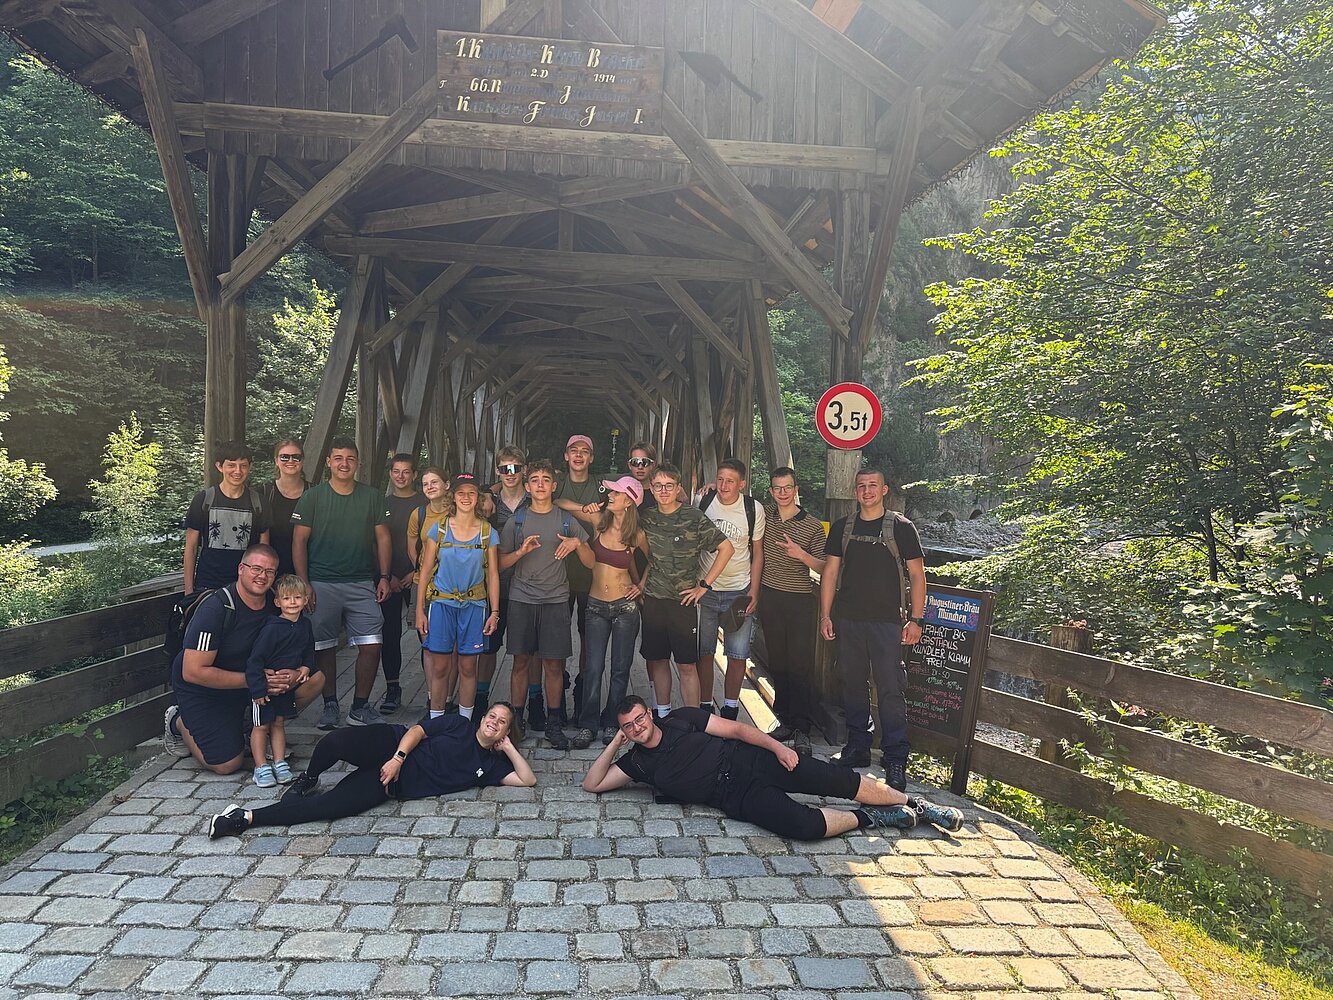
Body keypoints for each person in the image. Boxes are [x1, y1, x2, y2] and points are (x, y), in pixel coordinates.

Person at [581, 696, 963, 839]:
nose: (637, 728)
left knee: (835, 779)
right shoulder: (637, 763)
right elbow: (592, 784)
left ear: (649, 714)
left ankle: (918, 804)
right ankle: (875, 818)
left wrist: (778, 748)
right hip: (736, 796)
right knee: (802, 826)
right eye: (628, 726)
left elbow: (737, 730)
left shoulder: (682, 719)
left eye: (639, 719)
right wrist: (615, 744)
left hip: (750, 759)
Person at [206, 702, 536, 838]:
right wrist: (398, 758)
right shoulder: (458, 725)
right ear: (482, 718)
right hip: (391, 745)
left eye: (501, 722)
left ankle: (244, 817)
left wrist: (508, 748)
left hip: (391, 783)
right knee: (336, 742)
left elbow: (527, 779)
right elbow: (418, 730)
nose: (493, 722)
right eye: (491, 716)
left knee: (329, 808)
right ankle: (309, 777)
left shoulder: (489, 766)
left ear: (506, 731)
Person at [164, 543, 324, 774]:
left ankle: (255, 727)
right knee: (227, 764)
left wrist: (296, 671)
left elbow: (295, 644)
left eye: (269, 571)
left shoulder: (276, 604)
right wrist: (257, 681)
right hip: (206, 687)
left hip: (252, 681)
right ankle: (177, 721)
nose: (262, 576)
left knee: (315, 680)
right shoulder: (217, 608)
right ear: (241, 569)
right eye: (256, 569)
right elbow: (192, 671)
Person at [819, 469, 927, 789]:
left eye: (872, 486)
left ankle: (895, 757)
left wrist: (916, 619)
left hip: (888, 623)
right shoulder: (843, 527)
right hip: (848, 619)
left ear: (884, 490)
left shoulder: (902, 528)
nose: (867, 491)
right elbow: (830, 573)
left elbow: (917, 575)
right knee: (852, 684)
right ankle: (858, 746)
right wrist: (825, 615)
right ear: (856, 491)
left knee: (891, 688)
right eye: (861, 486)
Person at [291, 438, 392, 731]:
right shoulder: (312, 497)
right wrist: (304, 583)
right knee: (324, 646)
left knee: (372, 645)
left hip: (362, 581)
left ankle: (359, 707)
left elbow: (383, 538)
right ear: (329, 462)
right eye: (338, 458)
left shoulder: (372, 496)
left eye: (349, 458)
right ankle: (330, 705)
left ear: (357, 462)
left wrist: (384, 576)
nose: (344, 464)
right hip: (321, 582)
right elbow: (299, 541)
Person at [499, 459, 592, 749]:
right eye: (535, 480)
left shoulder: (566, 520)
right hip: (522, 598)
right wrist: (520, 552)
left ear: (554, 486)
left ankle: (553, 722)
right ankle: (516, 721)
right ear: (527, 487)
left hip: (555, 600)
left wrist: (578, 544)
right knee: (521, 662)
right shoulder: (516, 521)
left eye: (546, 479)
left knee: (554, 664)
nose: (540, 484)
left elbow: (591, 562)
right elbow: (499, 563)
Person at [638, 462, 734, 717]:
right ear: (651, 489)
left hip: (683, 601)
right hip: (654, 599)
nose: (663, 491)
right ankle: (663, 715)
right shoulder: (646, 517)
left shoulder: (693, 517)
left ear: (678, 487)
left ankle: (693, 722)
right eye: (658, 486)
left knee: (687, 665)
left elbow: (727, 549)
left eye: (669, 486)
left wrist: (704, 586)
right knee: (658, 660)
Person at [567, 475, 648, 747]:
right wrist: (585, 507)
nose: (609, 495)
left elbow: (654, 560)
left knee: (620, 669)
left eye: (615, 493)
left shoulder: (636, 534)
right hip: (595, 606)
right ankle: (588, 724)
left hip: (625, 607)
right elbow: (561, 503)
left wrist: (641, 586)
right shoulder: (599, 521)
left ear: (629, 501)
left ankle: (613, 722)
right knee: (593, 667)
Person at [415, 473, 501, 722]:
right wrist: (420, 610)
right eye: (461, 492)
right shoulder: (439, 529)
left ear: (478, 497)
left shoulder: (487, 532)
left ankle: (464, 723)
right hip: (442, 603)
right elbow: (425, 570)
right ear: (453, 496)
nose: (466, 497)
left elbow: (493, 574)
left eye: (471, 493)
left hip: (473, 605)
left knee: (468, 666)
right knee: (441, 666)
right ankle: (436, 721)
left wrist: (494, 612)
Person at [758, 467, 827, 756]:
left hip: (799, 600)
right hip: (770, 596)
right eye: (777, 488)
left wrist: (800, 554)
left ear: (796, 489)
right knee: (778, 662)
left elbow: (825, 567)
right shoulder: (765, 515)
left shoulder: (812, 526)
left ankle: (802, 727)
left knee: (799, 664)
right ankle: (784, 720)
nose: (783, 493)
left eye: (788, 487)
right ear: (771, 491)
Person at [696, 459, 765, 719]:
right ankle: (705, 705)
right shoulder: (702, 501)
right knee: (704, 652)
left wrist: (754, 591)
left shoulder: (753, 509)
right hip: (705, 590)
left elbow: (757, 553)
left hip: (739, 590)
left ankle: (730, 708)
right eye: (720, 479)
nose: (724, 486)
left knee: (737, 654)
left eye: (731, 481)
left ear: (742, 484)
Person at [244, 574, 315, 787]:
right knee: (260, 725)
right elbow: (255, 661)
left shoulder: (305, 625)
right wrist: (258, 690)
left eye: (297, 597)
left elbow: (309, 649)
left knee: (279, 723)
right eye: (286, 598)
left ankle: (279, 762)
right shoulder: (272, 628)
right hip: (265, 689)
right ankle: (260, 767)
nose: (292, 602)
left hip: (286, 688)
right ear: (277, 602)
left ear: (305, 599)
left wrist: (305, 666)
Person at [554, 434, 603, 725]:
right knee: (558, 636)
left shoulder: (601, 484)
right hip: (557, 571)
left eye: (585, 451)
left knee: (588, 636)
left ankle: (583, 689)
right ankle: (557, 693)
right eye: (574, 450)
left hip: (591, 572)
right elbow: (553, 498)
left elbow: (635, 485)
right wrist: (584, 509)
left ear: (591, 458)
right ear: (566, 455)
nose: (579, 455)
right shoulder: (557, 482)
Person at [478, 446, 528, 721]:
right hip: (494, 586)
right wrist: (485, 493)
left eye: (515, 468)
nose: (510, 473)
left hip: (528, 586)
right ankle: (480, 698)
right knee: (488, 647)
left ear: (524, 470)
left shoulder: (536, 497)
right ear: (497, 471)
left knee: (528, 651)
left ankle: (533, 702)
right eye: (504, 468)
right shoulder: (486, 502)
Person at [182, 440, 269, 595]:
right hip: (207, 585)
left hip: (245, 587)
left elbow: (264, 550)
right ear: (219, 466)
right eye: (231, 465)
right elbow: (191, 548)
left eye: (243, 465)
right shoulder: (203, 500)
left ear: (250, 467)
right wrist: (189, 592)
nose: (237, 471)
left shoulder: (259, 502)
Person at [406, 467, 455, 713]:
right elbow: (413, 549)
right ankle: (432, 697)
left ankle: (448, 698)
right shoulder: (420, 513)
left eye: (435, 482)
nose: (430, 487)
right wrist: (426, 570)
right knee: (429, 645)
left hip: (453, 586)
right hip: (424, 585)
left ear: (447, 484)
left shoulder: (458, 510)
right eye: (425, 484)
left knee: (451, 647)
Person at [380, 453, 423, 715]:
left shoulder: (425, 502)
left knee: (426, 634)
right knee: (390, 634)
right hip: (390, 578)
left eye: (406, 472)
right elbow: (374, 540)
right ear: (390, 474)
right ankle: (392, 688)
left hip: (419, 577)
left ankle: (433, 692)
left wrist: (415, 572)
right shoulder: (382, 503)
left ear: (415, 475)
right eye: (396, 471)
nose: (401, 476)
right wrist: (387, 576)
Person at [256, 438, 307, 579]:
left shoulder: (314, 493)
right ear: (276, 461)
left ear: (302, 461)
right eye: (284, 457)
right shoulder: (263, 493)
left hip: (309, 571)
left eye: (296, 457)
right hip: (269, 573)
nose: (290, 461)